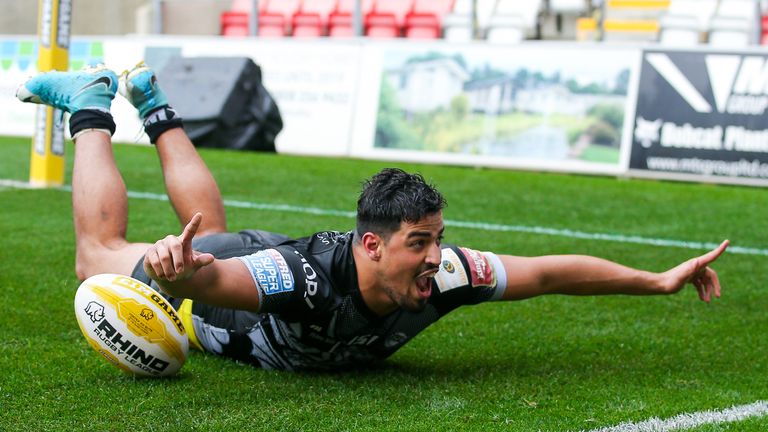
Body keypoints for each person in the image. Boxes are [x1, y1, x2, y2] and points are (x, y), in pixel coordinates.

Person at [18, 64, 728, 372]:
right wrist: (176, 273)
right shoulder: (299, 282)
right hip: (240, 290)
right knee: (101, 258)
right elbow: (214, 279)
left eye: (437, 240)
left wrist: (655, 280)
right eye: (420, 243)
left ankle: (153, 101)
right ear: (372, 244)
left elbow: (546, 273)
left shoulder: (443, 275)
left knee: (209, 220)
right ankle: (90, 105)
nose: (435, 257)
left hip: (257, 262)